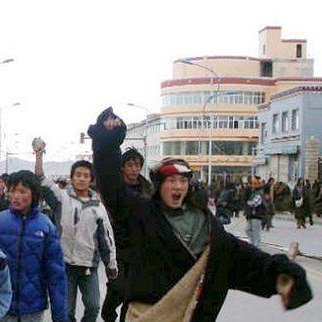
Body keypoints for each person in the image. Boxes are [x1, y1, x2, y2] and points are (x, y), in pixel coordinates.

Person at [89, 109, 312, 322]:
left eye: (183, 181)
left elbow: (239, 256)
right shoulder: (141, 212)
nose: (177, 186)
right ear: (159, 185)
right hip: (146, 315)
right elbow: (112, 187)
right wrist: (107, 143)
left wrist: (283, 273)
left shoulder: (204, 223)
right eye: (171, 181)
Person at [34, 146, 117, 322]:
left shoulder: (98, 207)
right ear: (72, 178)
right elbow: (41, 179)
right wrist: (39, 155)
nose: (81, 178)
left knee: (94, 306)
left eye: (85, 176)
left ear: (91, 180)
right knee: (66, 312)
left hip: (89, 265)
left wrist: (111, 264)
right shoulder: (61, 198)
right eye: (78, 174)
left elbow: (106, 238)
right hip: (64, 265)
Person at [87, 108, 153, 322]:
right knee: (118, 286)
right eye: (130, 165)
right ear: (122, 167)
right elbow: (104, 163)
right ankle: (108, 310)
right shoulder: (115, 188)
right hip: (117, 242)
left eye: (137, 165)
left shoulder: (148, 189)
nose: (134, 169)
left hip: (141, 245)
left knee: (135, 293)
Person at [0, 170, 68, 322]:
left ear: (34, 194)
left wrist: (60, 316)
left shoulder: (46, 226)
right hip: (0, 305)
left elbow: (56, 274)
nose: (16, 196)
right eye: (13, 190)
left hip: (33, 307)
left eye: (22, 191)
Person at [245, 176, 266, 248]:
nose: (252, 185)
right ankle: (253, 242)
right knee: (247, 229)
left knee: (256, 231)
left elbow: (254, 203)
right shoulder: (253, 192)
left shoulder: (259, 193)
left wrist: (248, 203)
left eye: (254, 184)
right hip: (251, 214)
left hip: (256, 215)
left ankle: (257, 246)